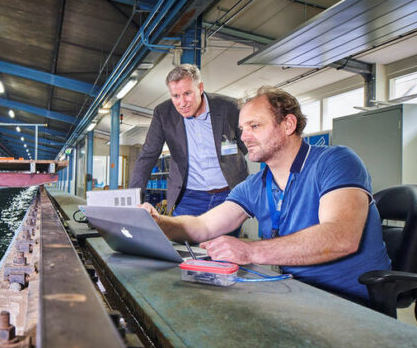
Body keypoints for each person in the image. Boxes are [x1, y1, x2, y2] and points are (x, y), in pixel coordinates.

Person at [140, 86, 390, 302]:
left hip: (347, 301)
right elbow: (202, 226)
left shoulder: (335, 162)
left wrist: (251, 251)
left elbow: (340, 236)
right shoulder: (255, 184)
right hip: (294, 292)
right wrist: (158, 222)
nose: (244, 136)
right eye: (242, 128)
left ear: (288, 124)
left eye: (255, 126)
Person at [129, 64, 248, 217]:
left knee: (225, 241)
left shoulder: (229, 107)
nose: (182, 102)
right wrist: (133, 199)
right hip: (189, 197)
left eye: (187, 93)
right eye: (176, 96)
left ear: (200, 88)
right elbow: (147, 156)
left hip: (229, 193)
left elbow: (245, 144)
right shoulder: (163, 113)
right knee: (183, 241)